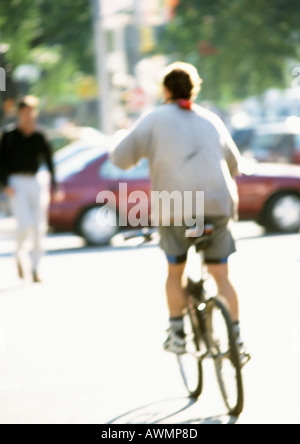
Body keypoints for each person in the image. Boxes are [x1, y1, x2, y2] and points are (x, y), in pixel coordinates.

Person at [111, 62, 246, 356]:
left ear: (166, 90)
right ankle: (236, 339)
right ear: (194, 89)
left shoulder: (155, 118)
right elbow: (234, 164)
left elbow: (121, 159)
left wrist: (120, 137)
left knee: (176, 272)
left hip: (180, 208)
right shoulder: (212, 119)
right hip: (217, 205)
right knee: (221, 275)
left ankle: (177, 334)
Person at [0, 95, 56, 283]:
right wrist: (5, 184)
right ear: (19, 114)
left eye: (31, 112)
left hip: (35, 181)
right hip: (16, 182)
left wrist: (55, 185)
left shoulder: (39, 135)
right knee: (25, 224)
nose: (29, 116)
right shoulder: (9, 136)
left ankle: (35, 267)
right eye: (25, 112)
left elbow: (49, 161)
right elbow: (2, 162)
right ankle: (19, 254)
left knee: (39, 226)